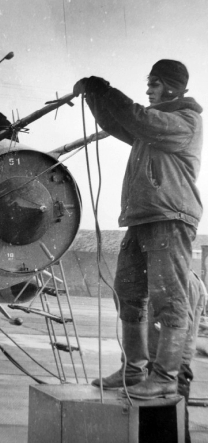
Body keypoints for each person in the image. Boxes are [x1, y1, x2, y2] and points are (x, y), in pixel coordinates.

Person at [73, 59, 203, 400]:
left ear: (173, 87)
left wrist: (104, 87)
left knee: (169, 299)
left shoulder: (184, 122)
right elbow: (118, 121)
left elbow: (137, 117)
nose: (148, 89)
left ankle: (165, 376)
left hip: (169, 218)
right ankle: (134, 369)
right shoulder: (154, 129)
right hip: (143, 217)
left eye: (155, 83)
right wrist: (93, 96)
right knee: (128, 292)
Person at [148, 270, 206, 443]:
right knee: (162, 424)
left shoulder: (183, 279)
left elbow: (181, 324)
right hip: (162, 360)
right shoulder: (174, 276)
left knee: (172, 425)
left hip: (171, 363)